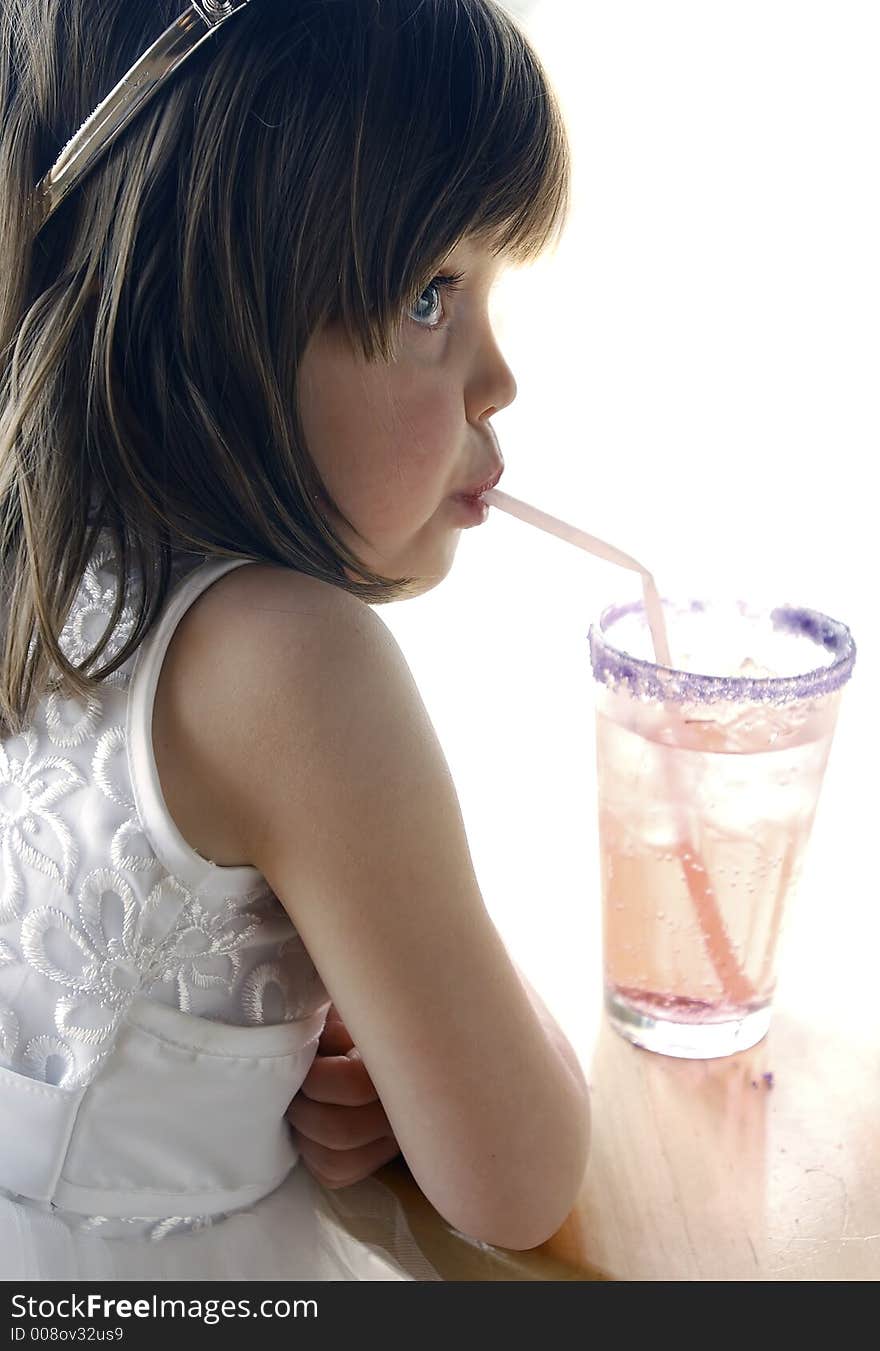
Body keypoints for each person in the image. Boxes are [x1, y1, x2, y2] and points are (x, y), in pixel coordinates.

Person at [0, 0, 590, 1281]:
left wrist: (400, 1041)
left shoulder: (32, 551)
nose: (498, 382)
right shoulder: (294, 661)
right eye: (433, 293)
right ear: (212, 314)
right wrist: (481, 1005)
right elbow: (516, 1179)